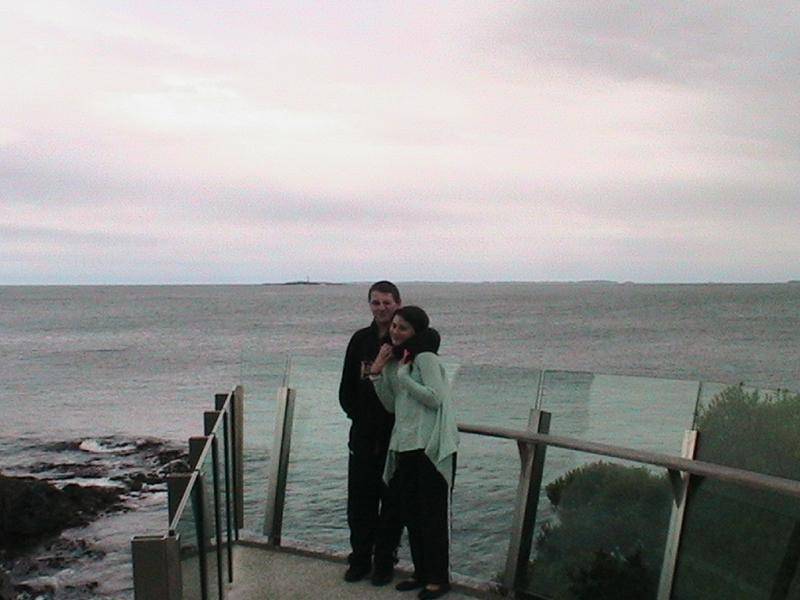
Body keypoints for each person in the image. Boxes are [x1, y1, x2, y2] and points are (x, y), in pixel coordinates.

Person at [369, 306, 459, 600]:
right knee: (412, 515)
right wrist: (377, 373)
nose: (395, 332)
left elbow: (435, 398)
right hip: (405, 446)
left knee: (432, 517)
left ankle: (438, 579)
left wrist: (405, 377)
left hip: (429, 448)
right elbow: (392, 405)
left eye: (403, 328)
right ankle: (422, 573)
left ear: (416, 332)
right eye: (394, 326)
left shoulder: (425, 358)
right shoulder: (398, 360)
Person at [339, 281, 404, 584]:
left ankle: (385, 562)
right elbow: (347, 388)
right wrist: (358, 416)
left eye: (386, 303)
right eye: (376, 302)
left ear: (398, 303)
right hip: (363, 434)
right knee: (360, 502)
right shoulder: (360, 340)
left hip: (395, 435)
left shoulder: (406, 341)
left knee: (392, 504)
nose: (381, 308)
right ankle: (360, 558)